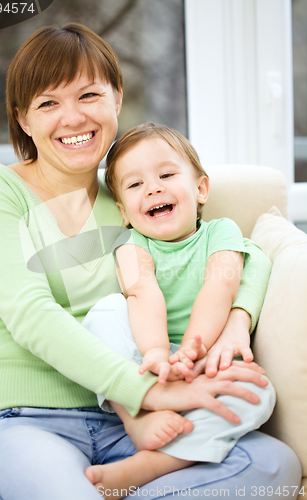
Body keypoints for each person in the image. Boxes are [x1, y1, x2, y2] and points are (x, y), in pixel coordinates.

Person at [0, 23, 301, 500]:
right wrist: (149, 392)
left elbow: (238, 255)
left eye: (89, 95)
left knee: (273, 466)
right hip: (22, 417)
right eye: (48, 103)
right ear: (23, 119)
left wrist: (237, 319)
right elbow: (29, 314)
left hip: (127, 424)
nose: (72, 117)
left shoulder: (134, 197)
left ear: (116, 100)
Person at [81, 123, 276, 496]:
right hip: (144, 362)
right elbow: (143, 293)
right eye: (135, 184)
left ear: (201, 188)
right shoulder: (131, 243)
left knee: (260, 393)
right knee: (104, 314)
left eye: (166, 174)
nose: (153, 187)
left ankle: (157, 463)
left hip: (205, 359)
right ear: (123, 211)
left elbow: (220, 287)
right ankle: (137, 419)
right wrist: (156, 353)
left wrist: (193, 348)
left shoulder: (222, 233)